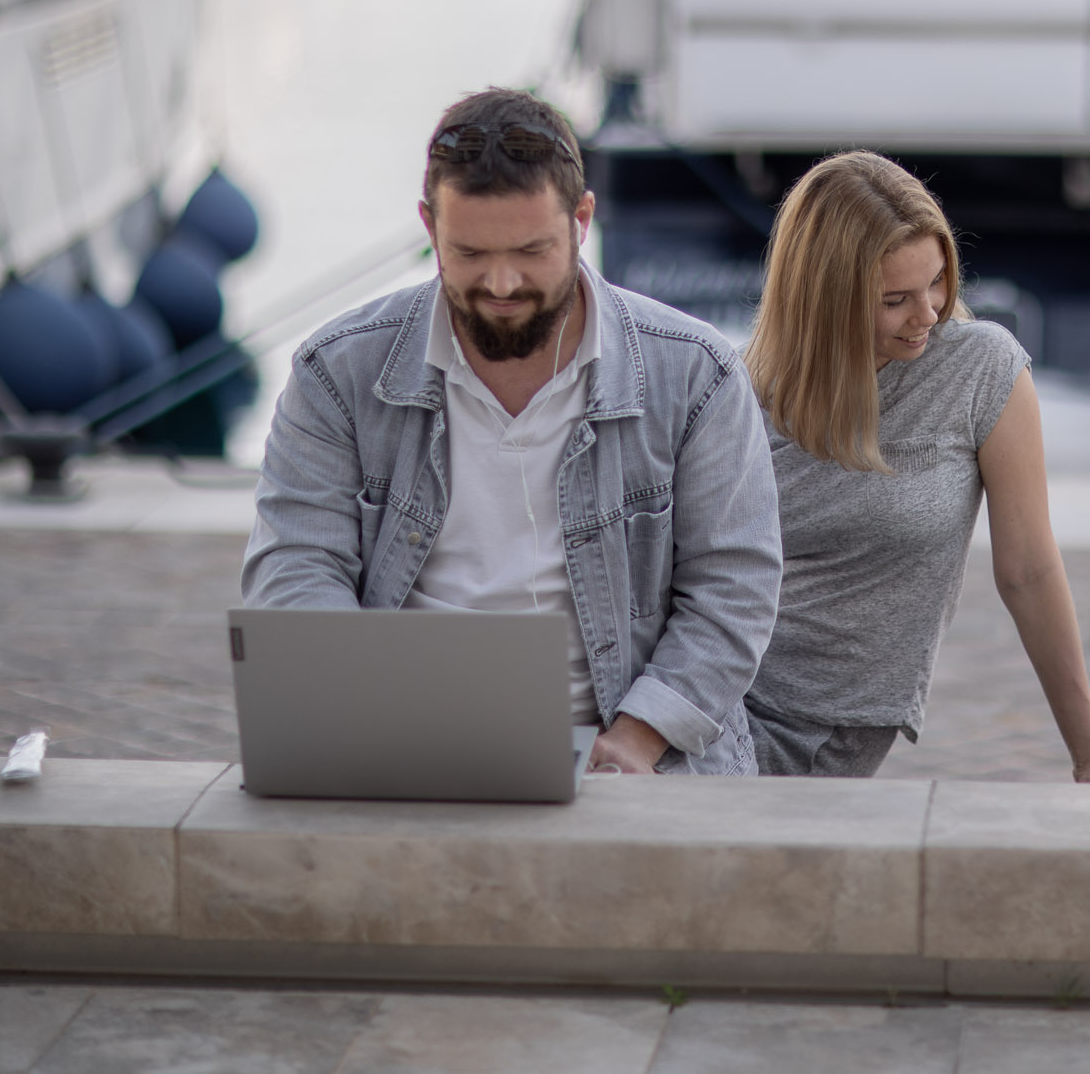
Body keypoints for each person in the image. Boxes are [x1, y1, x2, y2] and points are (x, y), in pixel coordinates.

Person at [241, 88, 781, 776]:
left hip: (641, 746)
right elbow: (294, 567)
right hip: (398, 739)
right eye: (469, 253)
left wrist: (638, 737)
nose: (501, 282)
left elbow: (736, 585)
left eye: (531, 250)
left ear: (582, 220)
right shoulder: (335, 372)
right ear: (428, 227)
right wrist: (363, 717)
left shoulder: (696, 373)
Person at [740, 151, 1090, 781]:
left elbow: (1028, 571)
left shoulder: (981, 369)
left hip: (828, 730)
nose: (929, 314)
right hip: (716, 705)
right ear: (825, 297)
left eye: (937, 282)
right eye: (895, 300)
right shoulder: (743, 389)